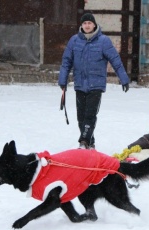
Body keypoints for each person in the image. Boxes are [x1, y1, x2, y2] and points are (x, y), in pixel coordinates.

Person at [58, 13, 130, 149]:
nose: (87, 25)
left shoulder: (103, 41)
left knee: (90, 115)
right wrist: (63, 80)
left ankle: (83, 141)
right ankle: (90, 143)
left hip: (96, 85)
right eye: (84, 23)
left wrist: (124, 78)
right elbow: (66, 61)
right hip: (80, 84)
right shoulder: (74, 40)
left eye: (89, 23)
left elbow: (116, 60)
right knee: (81, 117)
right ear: (81, 25)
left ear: (94, 25)